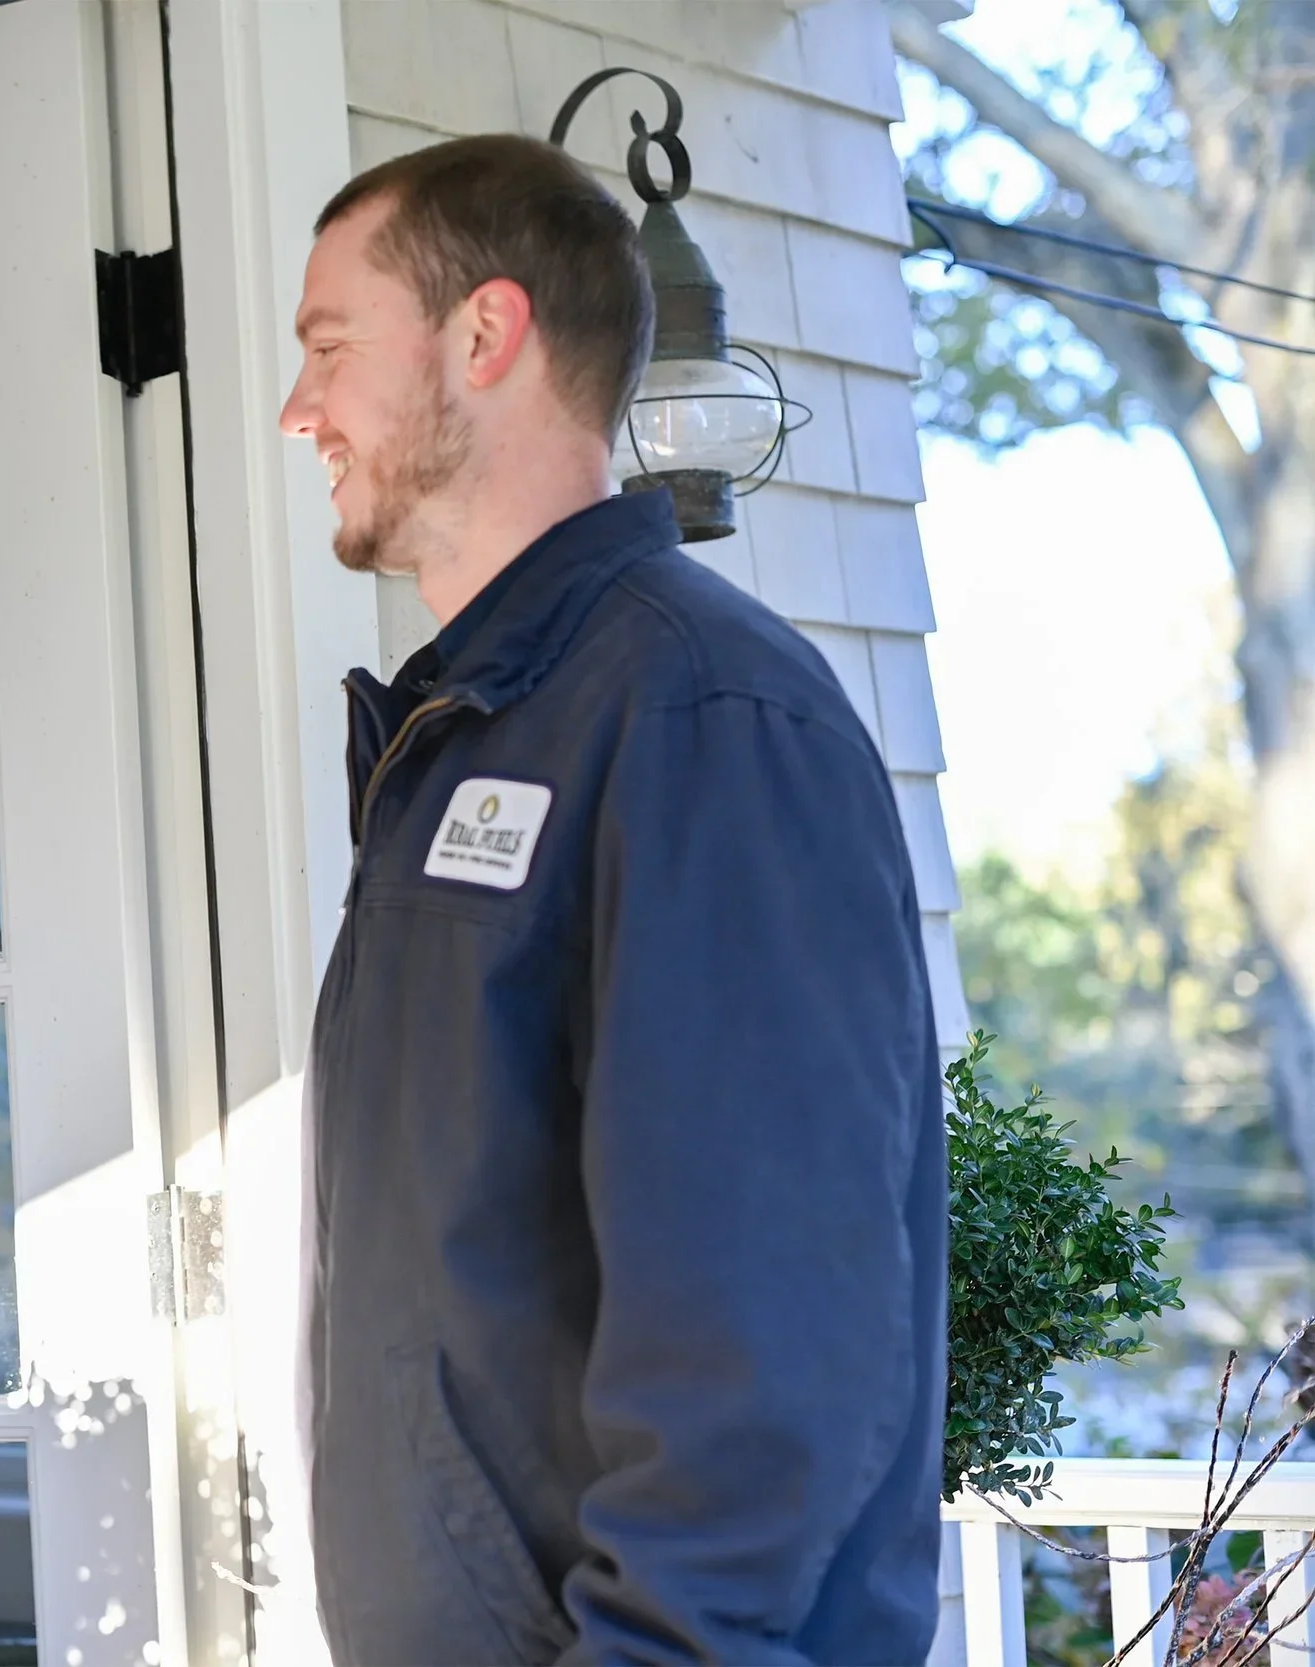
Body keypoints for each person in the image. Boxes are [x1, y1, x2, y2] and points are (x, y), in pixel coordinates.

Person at [280, 135, 945, 1664]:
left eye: (329, 349)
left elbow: (767, 1326)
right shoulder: (471, 731)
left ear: (485, 334)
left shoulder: (700, 714)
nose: (297, 408)